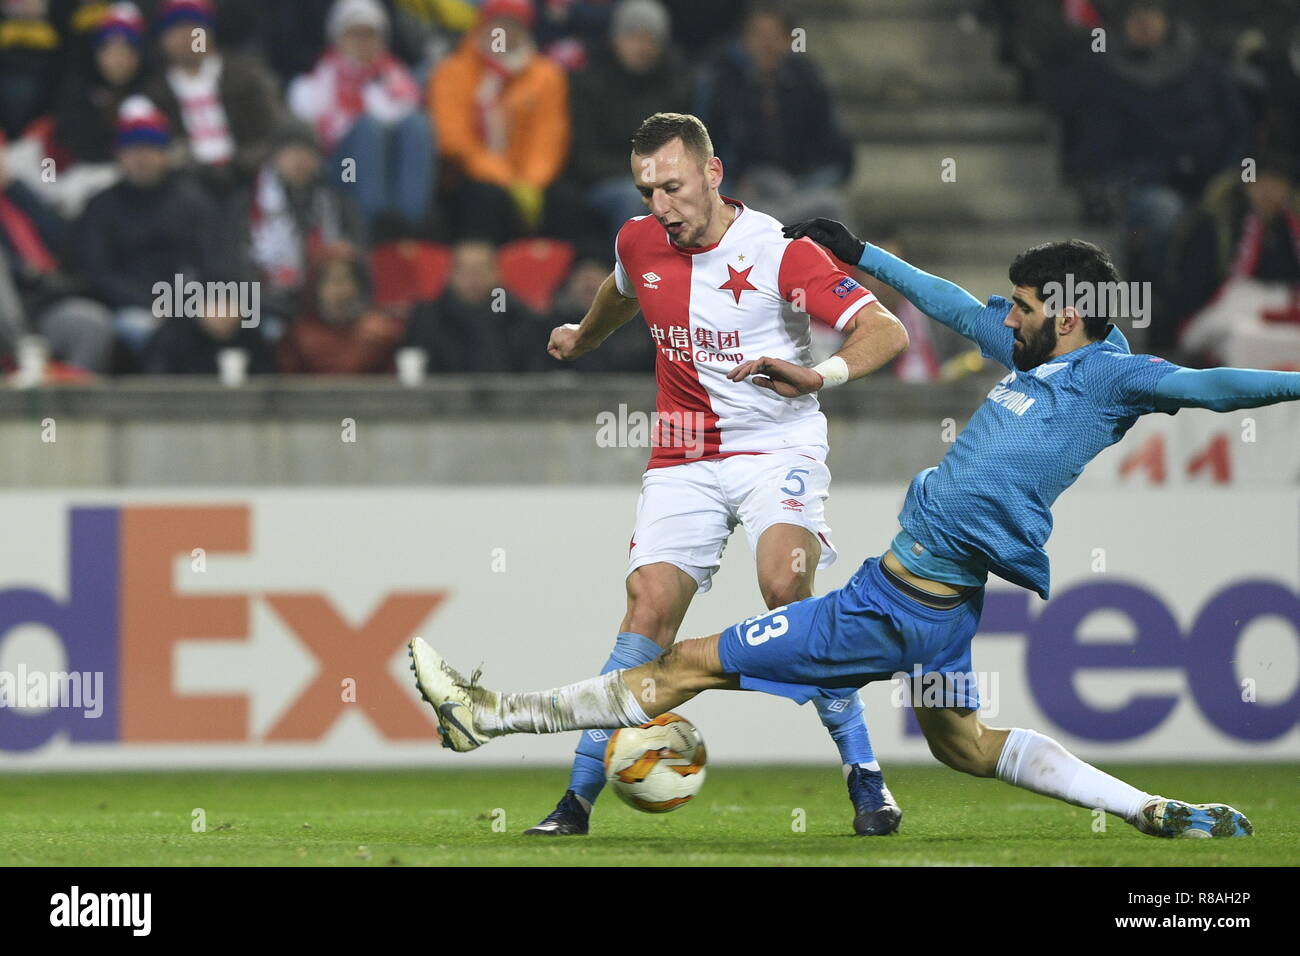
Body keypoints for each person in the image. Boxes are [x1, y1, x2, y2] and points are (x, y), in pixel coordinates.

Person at [410, 218, 1300, 839]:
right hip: (943, 620)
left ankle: (489, 718)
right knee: (965, 745)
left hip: (880, 611)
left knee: (684, 665)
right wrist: (868, 254)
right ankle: (1147, 808)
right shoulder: (1033, 358)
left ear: (1065, 315)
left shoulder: (1114, 379)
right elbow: (952, 306)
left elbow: (1217, 387)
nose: (1007, 315)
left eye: (1022, 306)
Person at [528, 112, 910, 838]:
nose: (659, 206)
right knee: (646, 610)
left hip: (777, 449)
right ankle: (575, 801)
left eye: (672, 186)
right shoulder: (638, 239)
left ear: (712, 172)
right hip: (683, 454)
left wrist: (816, 374)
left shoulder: (778, 252)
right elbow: (622, 289)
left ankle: (866, 778)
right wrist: (582, 335)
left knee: (784, 590)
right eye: (647, 190)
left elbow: (884, 330)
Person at [287, 0, 434, 236]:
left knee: (417, 125)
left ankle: (410, 225)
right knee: (367, 130)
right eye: (354, 34)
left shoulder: (397, 78)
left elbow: (405, 120)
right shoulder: (312, 85)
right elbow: (316, 138)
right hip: (344, 170)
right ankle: (369, 226)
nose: (362, 42)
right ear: (337, 37)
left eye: (370, 34)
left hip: (388, 170)